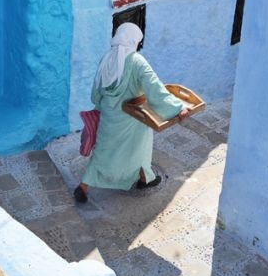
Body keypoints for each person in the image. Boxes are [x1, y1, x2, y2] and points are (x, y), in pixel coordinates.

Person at [74, 22, 190, 203]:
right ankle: (144, 179)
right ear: (133, 40)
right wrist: (177, 108)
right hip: (133, 117)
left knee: (103, 152)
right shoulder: (137, 61)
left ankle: (84, 186)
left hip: (109, 118)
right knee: (140, 150)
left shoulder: (106, 58)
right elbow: (155, 88)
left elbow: (96, 93)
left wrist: (103, 107)